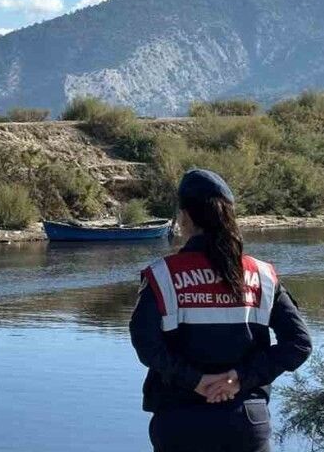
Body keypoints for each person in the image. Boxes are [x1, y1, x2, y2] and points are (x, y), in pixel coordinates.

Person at [130, 169, 312, 452]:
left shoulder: (162, 275)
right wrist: (238, 378)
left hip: (180, 422)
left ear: (185, 217)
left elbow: (146, 344)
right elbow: (299, 344)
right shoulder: (262, 275)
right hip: (245, 420)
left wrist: (196, 381)